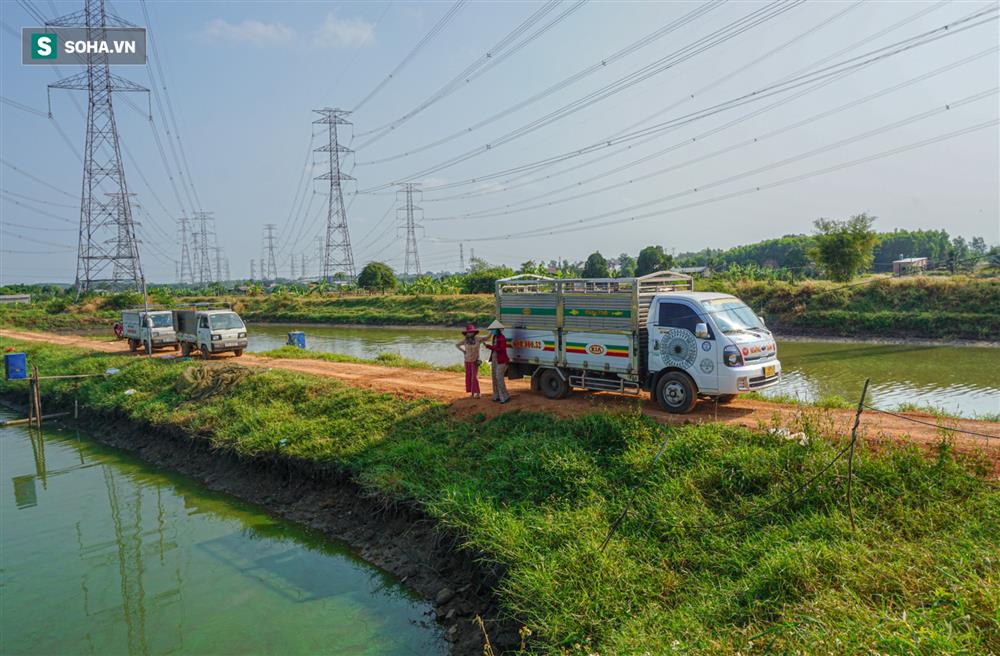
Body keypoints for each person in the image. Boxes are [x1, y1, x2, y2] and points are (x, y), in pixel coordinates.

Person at [483, 320, 510, 404]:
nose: (492, 331)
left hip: (501, 360)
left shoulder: (502, 338)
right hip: (495, 359)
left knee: (499, 377)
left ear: (497, 329)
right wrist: (490, 347)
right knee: (494, 377)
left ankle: (505, 396)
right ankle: (496, 395)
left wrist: (490, 347)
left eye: (493, 330)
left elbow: (501, 349)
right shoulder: (495, 337)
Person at [455, 324, 482, 399]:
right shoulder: (465, 340)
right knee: (469, 377)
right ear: (466, 333)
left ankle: (478, 393)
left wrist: (491, 332)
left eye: (471, 332)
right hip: (467, 360)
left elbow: (487, 338)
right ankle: (472, 394)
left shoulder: (478, 339)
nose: (470, 333)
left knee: (474, 377)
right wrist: (463, 351)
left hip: (475, 360)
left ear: (474, 332)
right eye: (468, 332)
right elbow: (457, 345)